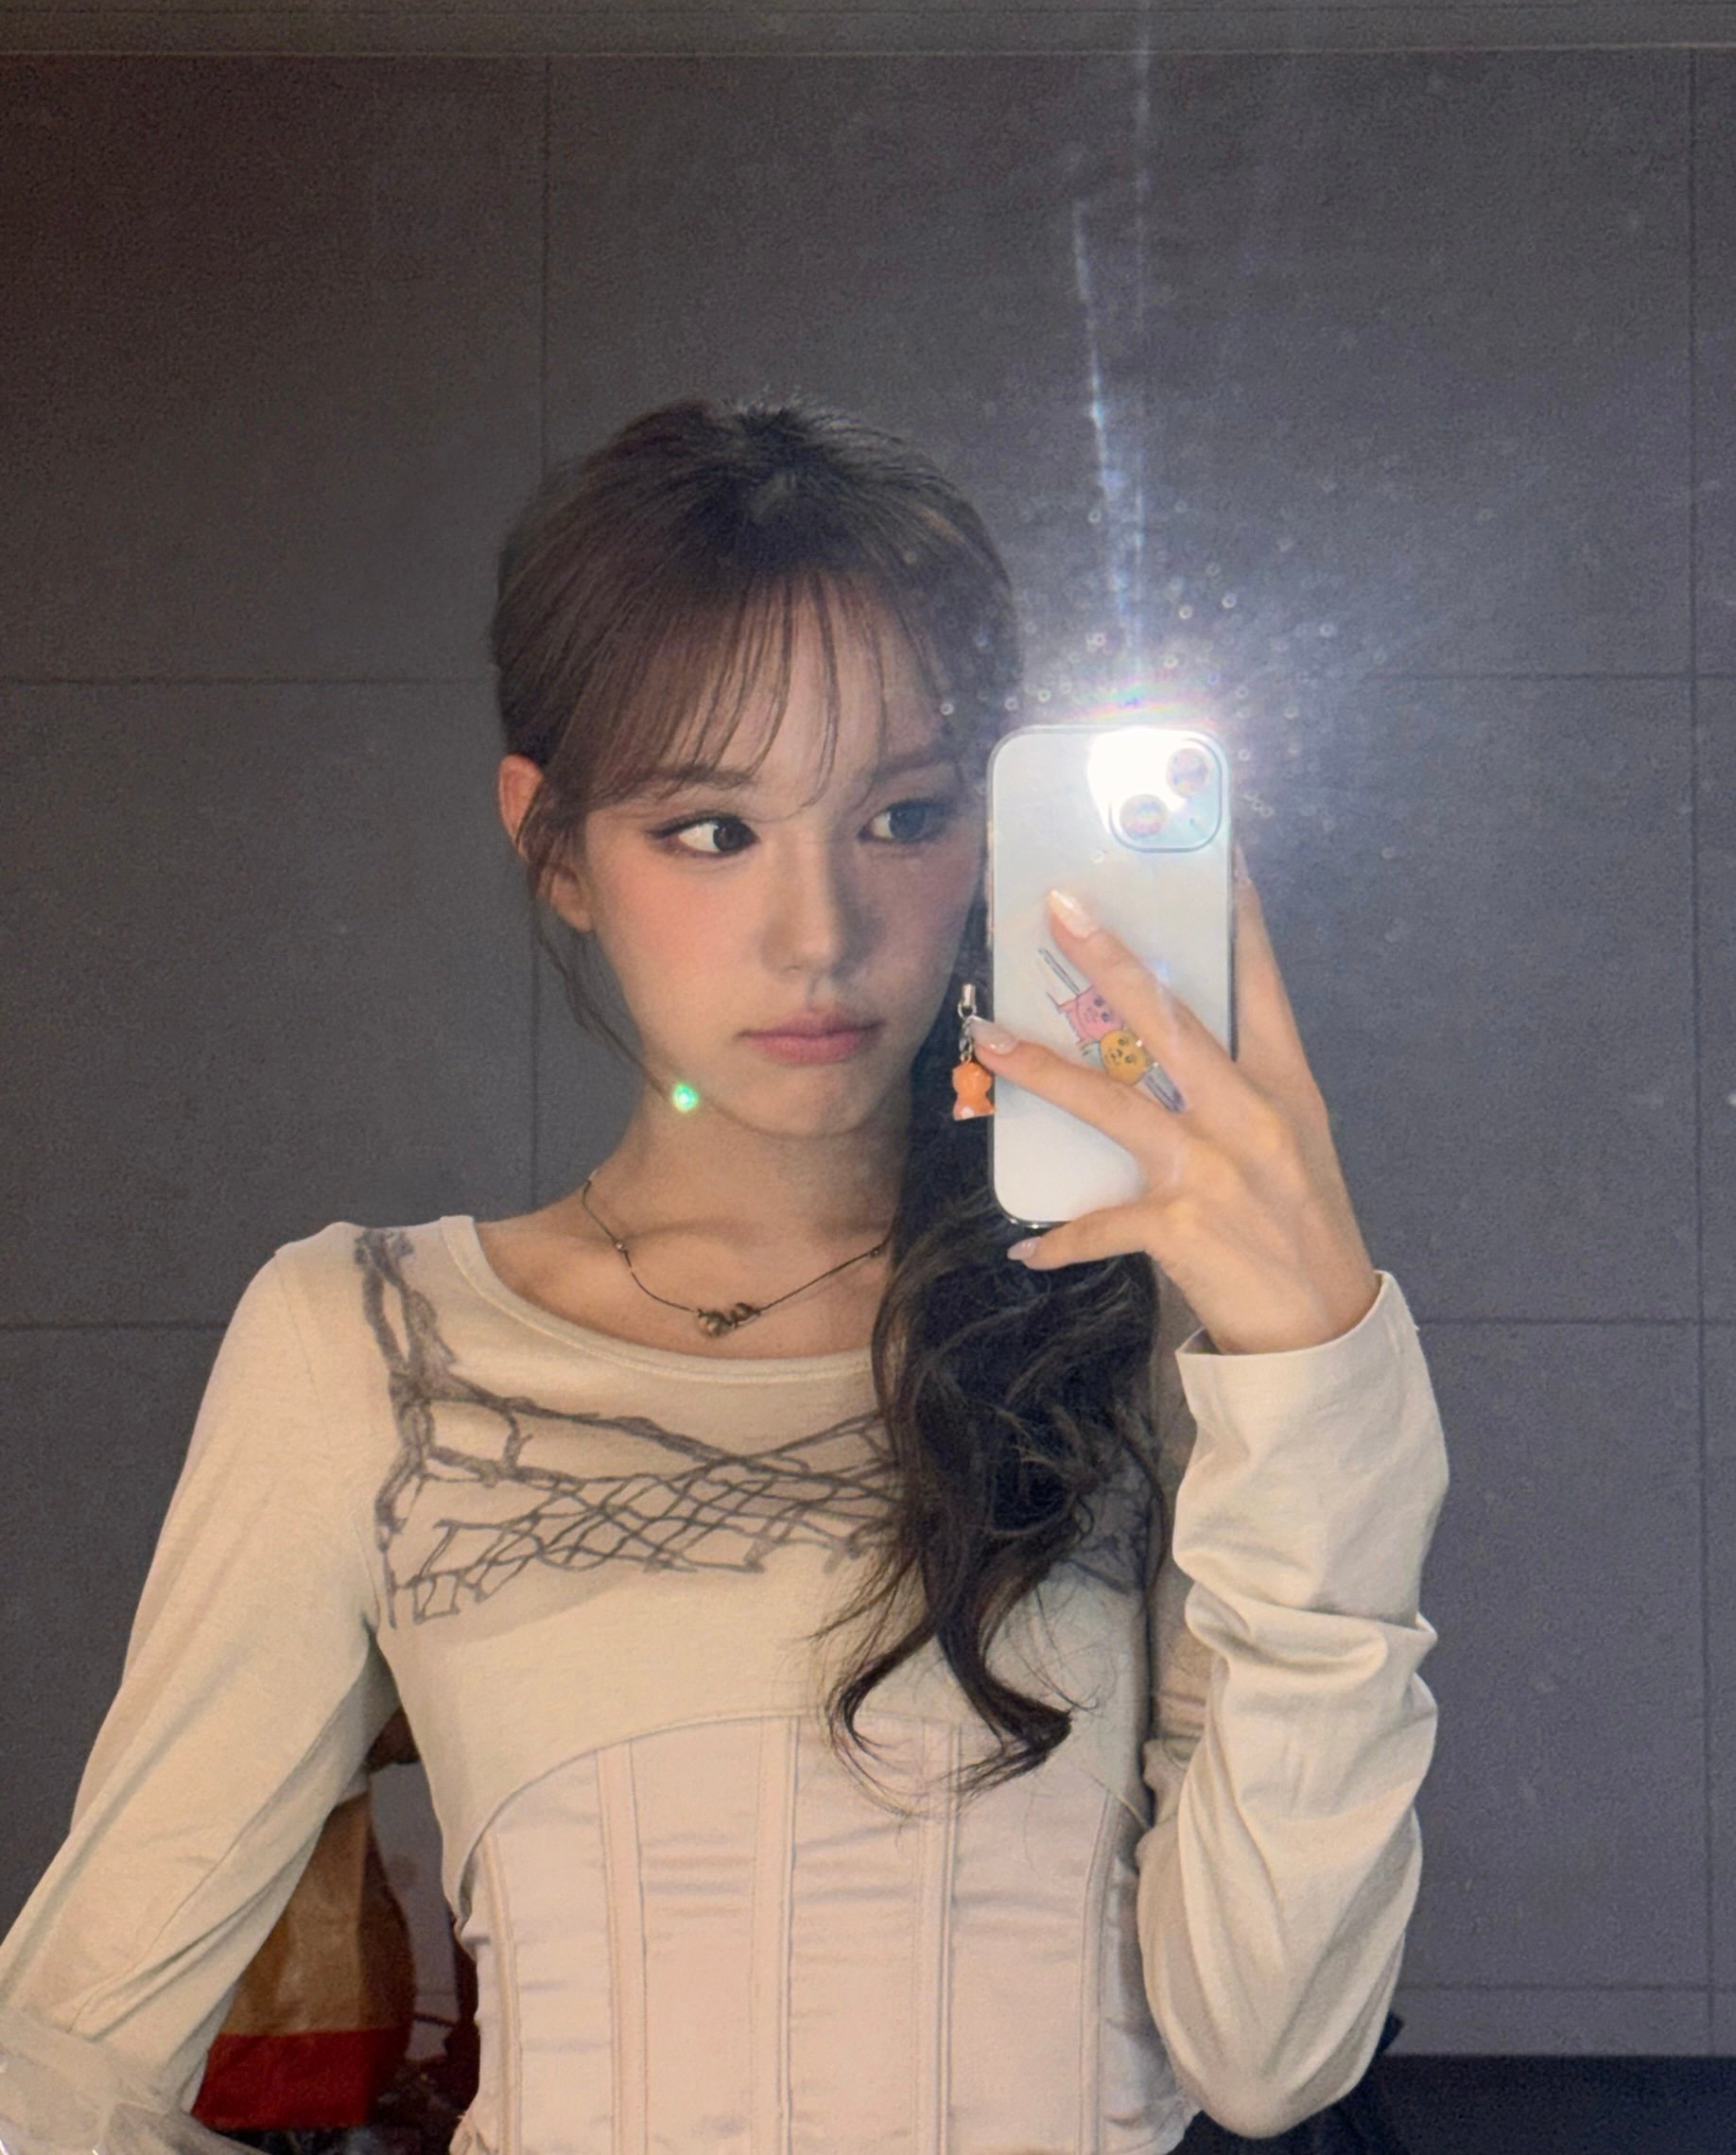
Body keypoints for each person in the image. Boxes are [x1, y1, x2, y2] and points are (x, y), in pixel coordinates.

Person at [0, 396, 1450, 2154]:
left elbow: (1274, 2051)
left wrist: (1309, 1359)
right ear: (554, 845)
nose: (819, 932)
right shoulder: (373, 1349)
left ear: (991, 837)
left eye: (903, 814)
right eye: (710, 829)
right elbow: (59, 2064)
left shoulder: (1137, 1327)